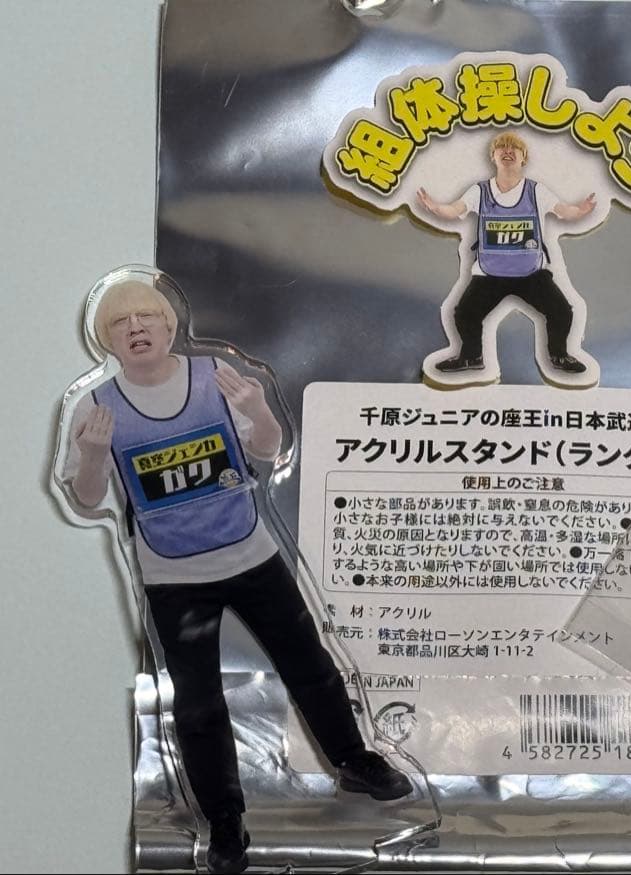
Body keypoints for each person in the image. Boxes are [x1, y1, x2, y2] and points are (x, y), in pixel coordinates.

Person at [64, 280, 411, 874]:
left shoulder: (216, 378)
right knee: (198, 705)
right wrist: (94, 454)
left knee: (310, 664)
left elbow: (269, 450)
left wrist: (256, 408)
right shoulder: (97, 408)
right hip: (172, 577)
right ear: (107, 339)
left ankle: (354, 761)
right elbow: (88, 497)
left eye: (147, 316)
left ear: (171, 326)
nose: (137, 327)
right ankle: (225, 819)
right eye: (121, 322)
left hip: (252, 556)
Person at [417, 131, 596, 378]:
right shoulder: (480, 191)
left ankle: (559, 355)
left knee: (562, 311)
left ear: (524, 158)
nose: (508, 151)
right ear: (493, 156)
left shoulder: (536, 191)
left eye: (514, 148)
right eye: (502, 147)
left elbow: (564, 211)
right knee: (464, 312)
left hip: (530, 273)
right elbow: (455, 210)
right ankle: (471, 357)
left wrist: (581, 210)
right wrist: (436, 207)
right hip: (490, 274)